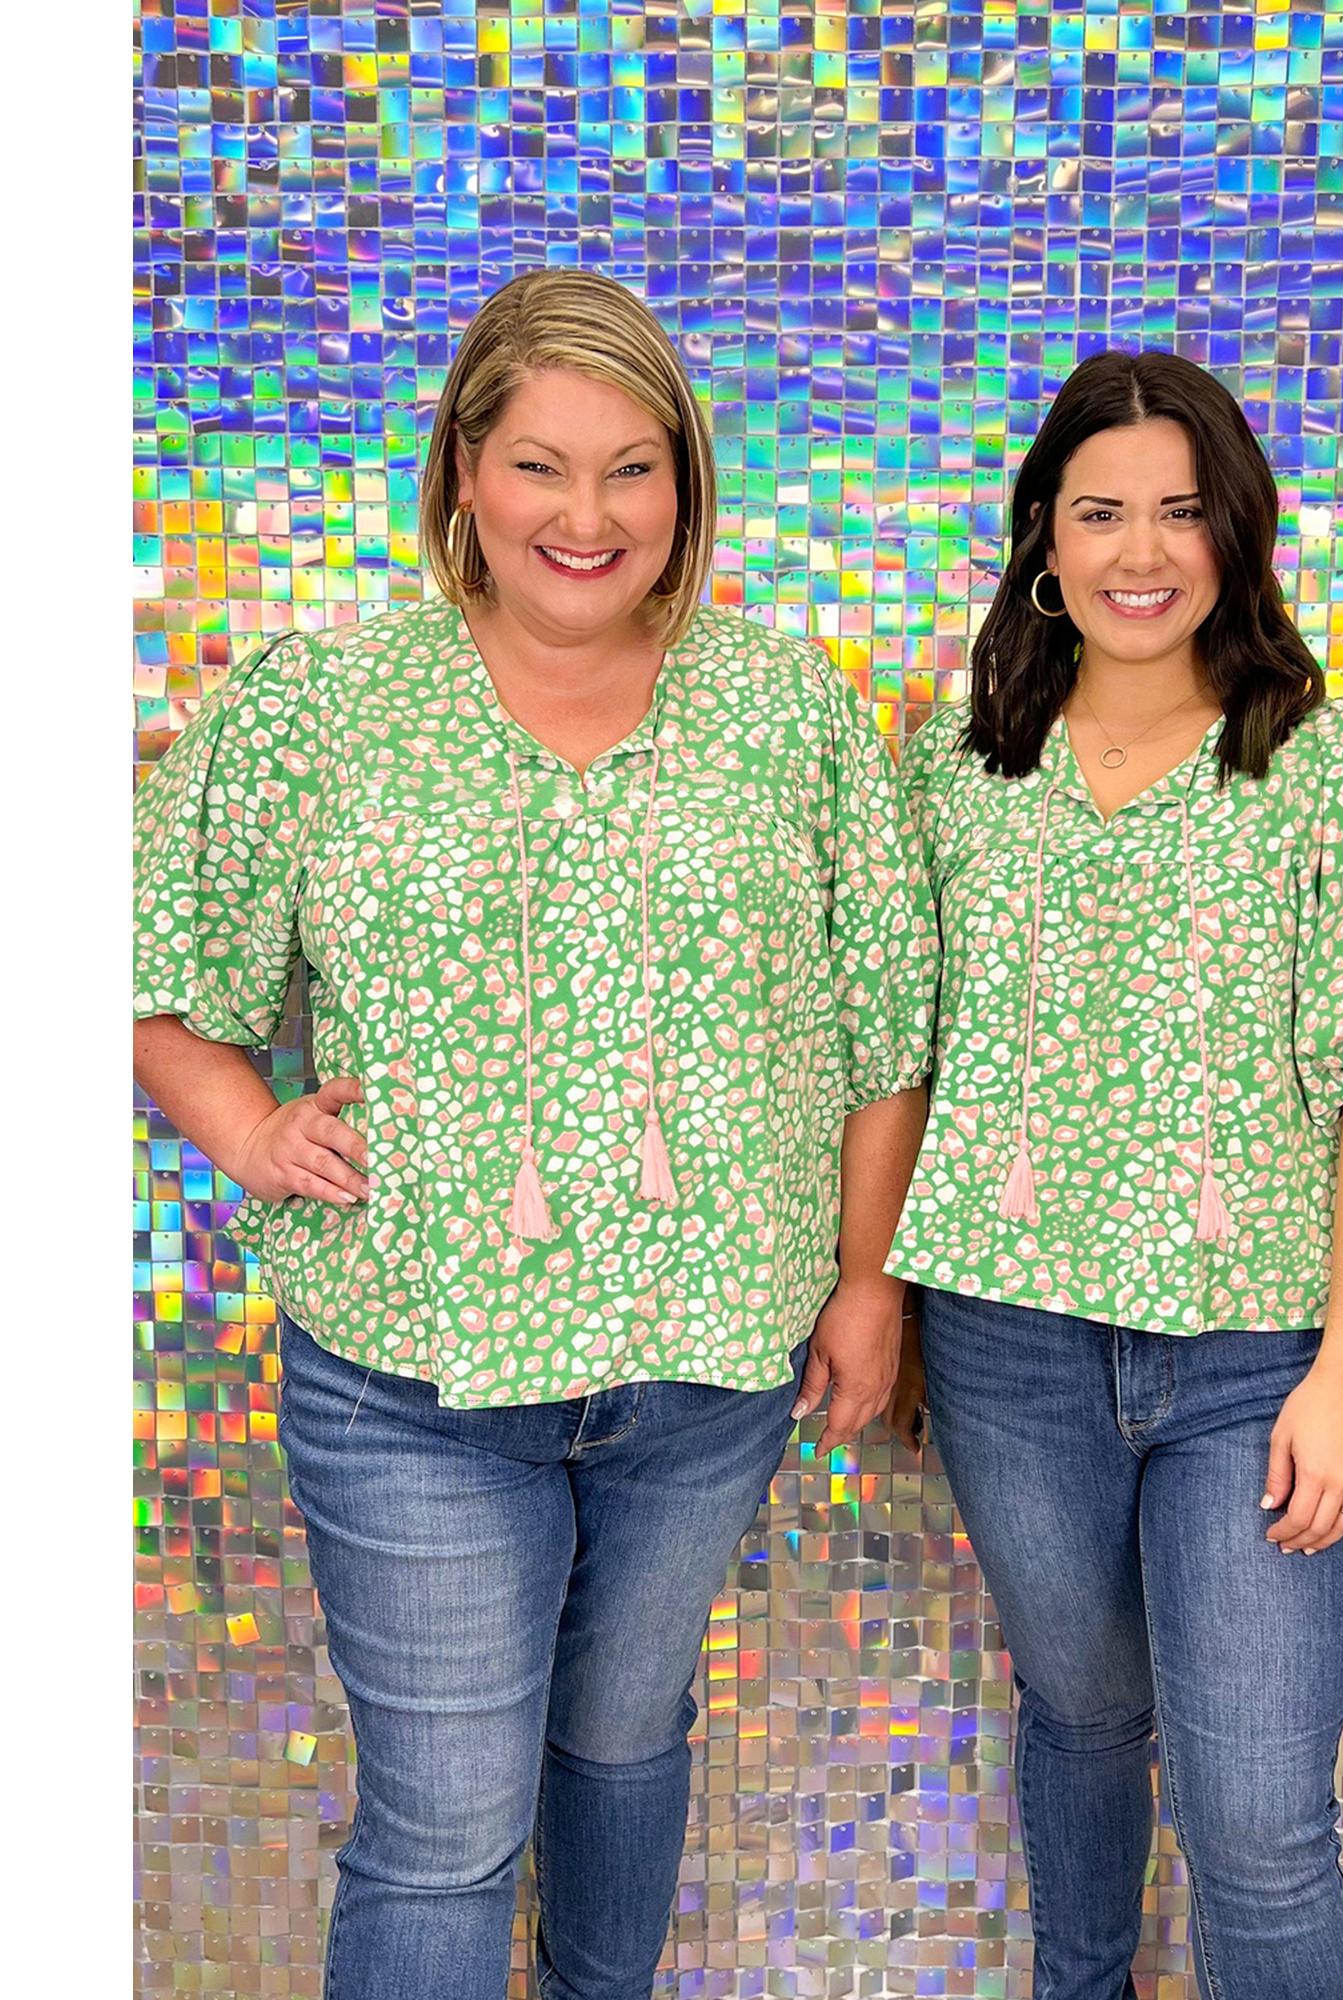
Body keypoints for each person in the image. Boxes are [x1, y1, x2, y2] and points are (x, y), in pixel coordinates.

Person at [133, 268, 936, 2000]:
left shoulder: (785, 709)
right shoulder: (325, 704)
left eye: (632, 468)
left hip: (708, 1373)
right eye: (540, 466)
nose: (588, 516)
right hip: (411, 1373)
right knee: (443, 1828)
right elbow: (150, 961)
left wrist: (867, 1283)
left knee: (624, 1742)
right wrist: (246, 1127)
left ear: (686, 485)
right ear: (462, 474)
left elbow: (887, 1023)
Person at [884, 348, 1343, 2000]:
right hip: (1006, 1351)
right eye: (1101, 513)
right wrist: (887, 1297)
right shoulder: (958, 769)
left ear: (1238, 533)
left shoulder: (1328, 765)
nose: (1141, 553)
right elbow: (904, 1052)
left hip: (1254, 1367)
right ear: (1044, 541)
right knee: (1078, 1718)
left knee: (1257, 1823)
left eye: (1182, 511)